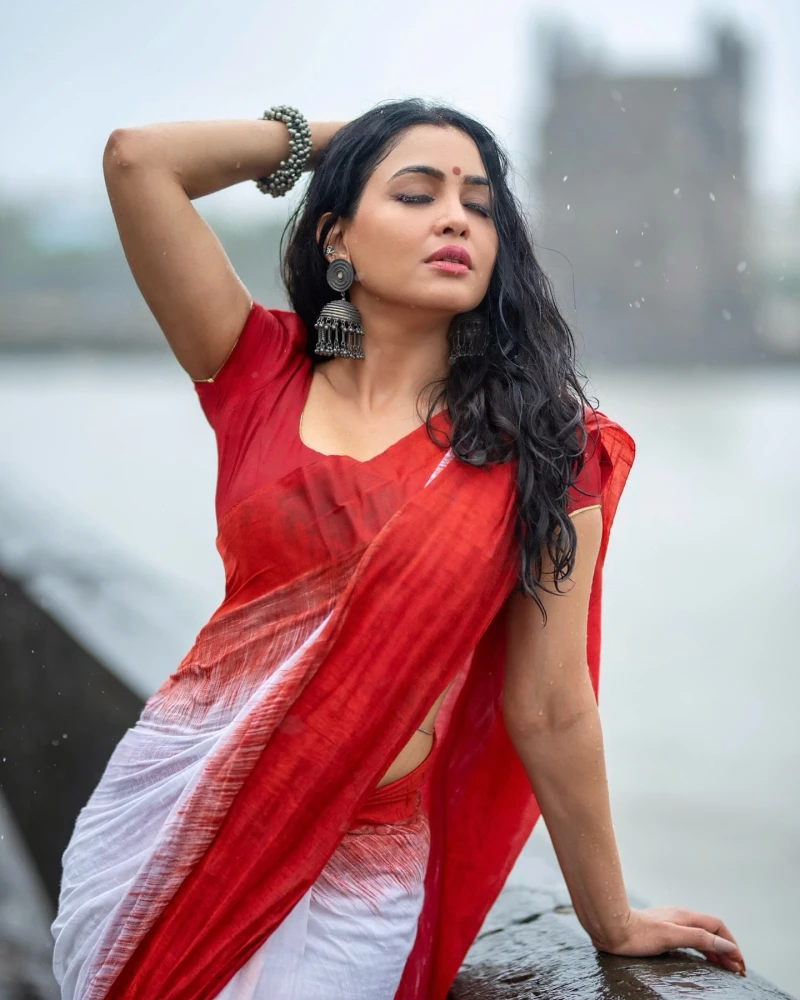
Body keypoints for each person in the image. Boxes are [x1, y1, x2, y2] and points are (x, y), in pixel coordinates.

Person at [50, 99, 746, 999]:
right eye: (416, 193)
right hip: (164, 824)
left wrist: (608, 917)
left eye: (480, 204)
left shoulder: (548, 447)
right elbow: (137, 161)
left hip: (359, 876)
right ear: (337, 239)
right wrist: (360, 134)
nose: (457, 216)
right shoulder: (257, 367)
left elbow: (550, 705)